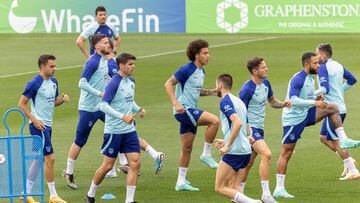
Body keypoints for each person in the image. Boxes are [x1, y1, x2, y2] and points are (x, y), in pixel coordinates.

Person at [273, 52, 360, 199]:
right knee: (286, 153)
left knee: (332, 107)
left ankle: (343, 139)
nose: (319, 65)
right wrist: (315, 102)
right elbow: (293, 99)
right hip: (293, 120)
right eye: (315, 63)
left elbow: (305, 96)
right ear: (307, 64)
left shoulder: (309, 78)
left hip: (306, 114)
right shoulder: (298, 78)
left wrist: (315, 97)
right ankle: (279, 188)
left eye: (318, 63)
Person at [85, 53, 142, 203]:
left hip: (129, 131)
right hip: (114, 132)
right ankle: (90, 193)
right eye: (130, 64)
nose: (133, 66)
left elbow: (129, 101)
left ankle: (129, 200)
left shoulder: (131, 82)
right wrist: (122, 116)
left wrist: (138, 109)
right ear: (121, 66)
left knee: (135, 162)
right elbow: (103, 105)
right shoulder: (113, 83)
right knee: (107, 166)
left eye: (133, 64)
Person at [164, 39, 220, 191]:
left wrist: (212, 92)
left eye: (208, 52)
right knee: (214, 121)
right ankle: (206, 154)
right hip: (183, 110)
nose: (208, 56)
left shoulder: (202, 71)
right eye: (205, 53)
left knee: (187, 147)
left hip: (190, 110)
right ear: (196, 55)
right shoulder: (186, 69)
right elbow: (168, 84)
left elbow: (197, 91)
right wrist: (176, 103)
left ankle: (180, 182)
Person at [104, 40, 165, 178]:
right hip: (116, 106)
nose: (133, 67)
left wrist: (136, 109)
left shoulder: (113, 67)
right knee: (125, 136)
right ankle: (150, 155)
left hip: (115, 108)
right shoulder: (104, 62)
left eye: (108, 46)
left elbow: (122, 93)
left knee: (117, 134)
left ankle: (115, 168)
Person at [18, 54, 69, 203]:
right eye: (51, 66)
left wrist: (61, 100)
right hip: (38, 127)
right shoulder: (34, 83)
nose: (54, 69)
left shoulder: (54, 82)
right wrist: (34, 120)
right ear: (42, 67)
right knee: (50, 158)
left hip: (47, 126)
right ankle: (53, 196)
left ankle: (25, 192)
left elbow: (52, 102)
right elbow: (21, 104)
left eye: (54, 66)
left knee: (38, 158)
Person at [239, 57, 291, 203]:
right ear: (255, 71)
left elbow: (272, 101)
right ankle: (266, 195)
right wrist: (248, 132)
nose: (266, 69)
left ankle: (238, 194)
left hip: (259, 129)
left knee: (248, 163)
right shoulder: (247, 89)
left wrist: (283, 104)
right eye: (263, 67)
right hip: (250, 129)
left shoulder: (266, 84)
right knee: (267, 155)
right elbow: (240, 113)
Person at [63, 34, 110, 189]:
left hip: (101, 107)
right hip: (88, 108)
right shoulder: (93, 61)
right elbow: (81, 83)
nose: (108, 44)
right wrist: (99, 93)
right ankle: (68, 172)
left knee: (120, 127)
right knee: (80, 140)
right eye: (104, 42)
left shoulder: (104, 60)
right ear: (97, 46)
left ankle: (123, 163)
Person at [315, 43, 360, 180]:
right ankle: (349, 160)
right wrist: (340, 89)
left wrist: (310, 95)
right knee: (323, 138)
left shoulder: (323, 67)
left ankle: (353, 170)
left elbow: (326, 89)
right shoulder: (338, 65)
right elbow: (353, 80)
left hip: (332, 110)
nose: (316, 58)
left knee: (335, 141)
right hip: (341, 107)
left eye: (317, 54)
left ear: (323, 55)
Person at [214, 74, 262, 203]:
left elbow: (238, 123)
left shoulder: (225, 101)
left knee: (219, 187)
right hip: (245, 151)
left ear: (220, 85)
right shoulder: (239, 101)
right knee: (234, 187)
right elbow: (247, 128)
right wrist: (225, 140)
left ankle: (252, 202)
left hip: (234, 151)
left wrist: (227, 145)